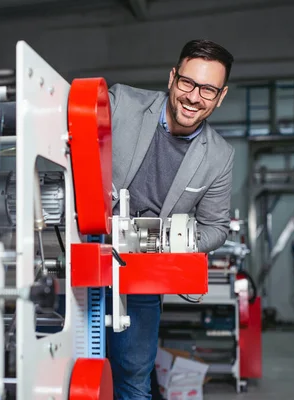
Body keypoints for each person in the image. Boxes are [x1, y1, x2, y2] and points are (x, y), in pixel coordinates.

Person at [106, 39, 236, 399]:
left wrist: (168, 239)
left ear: (220, 96)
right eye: (188, 83)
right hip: (85, 255)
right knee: (70, 363)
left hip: (144, 272)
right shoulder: (121, 104)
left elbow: (216, 227)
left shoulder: (219, 156)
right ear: (172, 78)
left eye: (208, 89)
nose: (194, 97)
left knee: (133, 372)